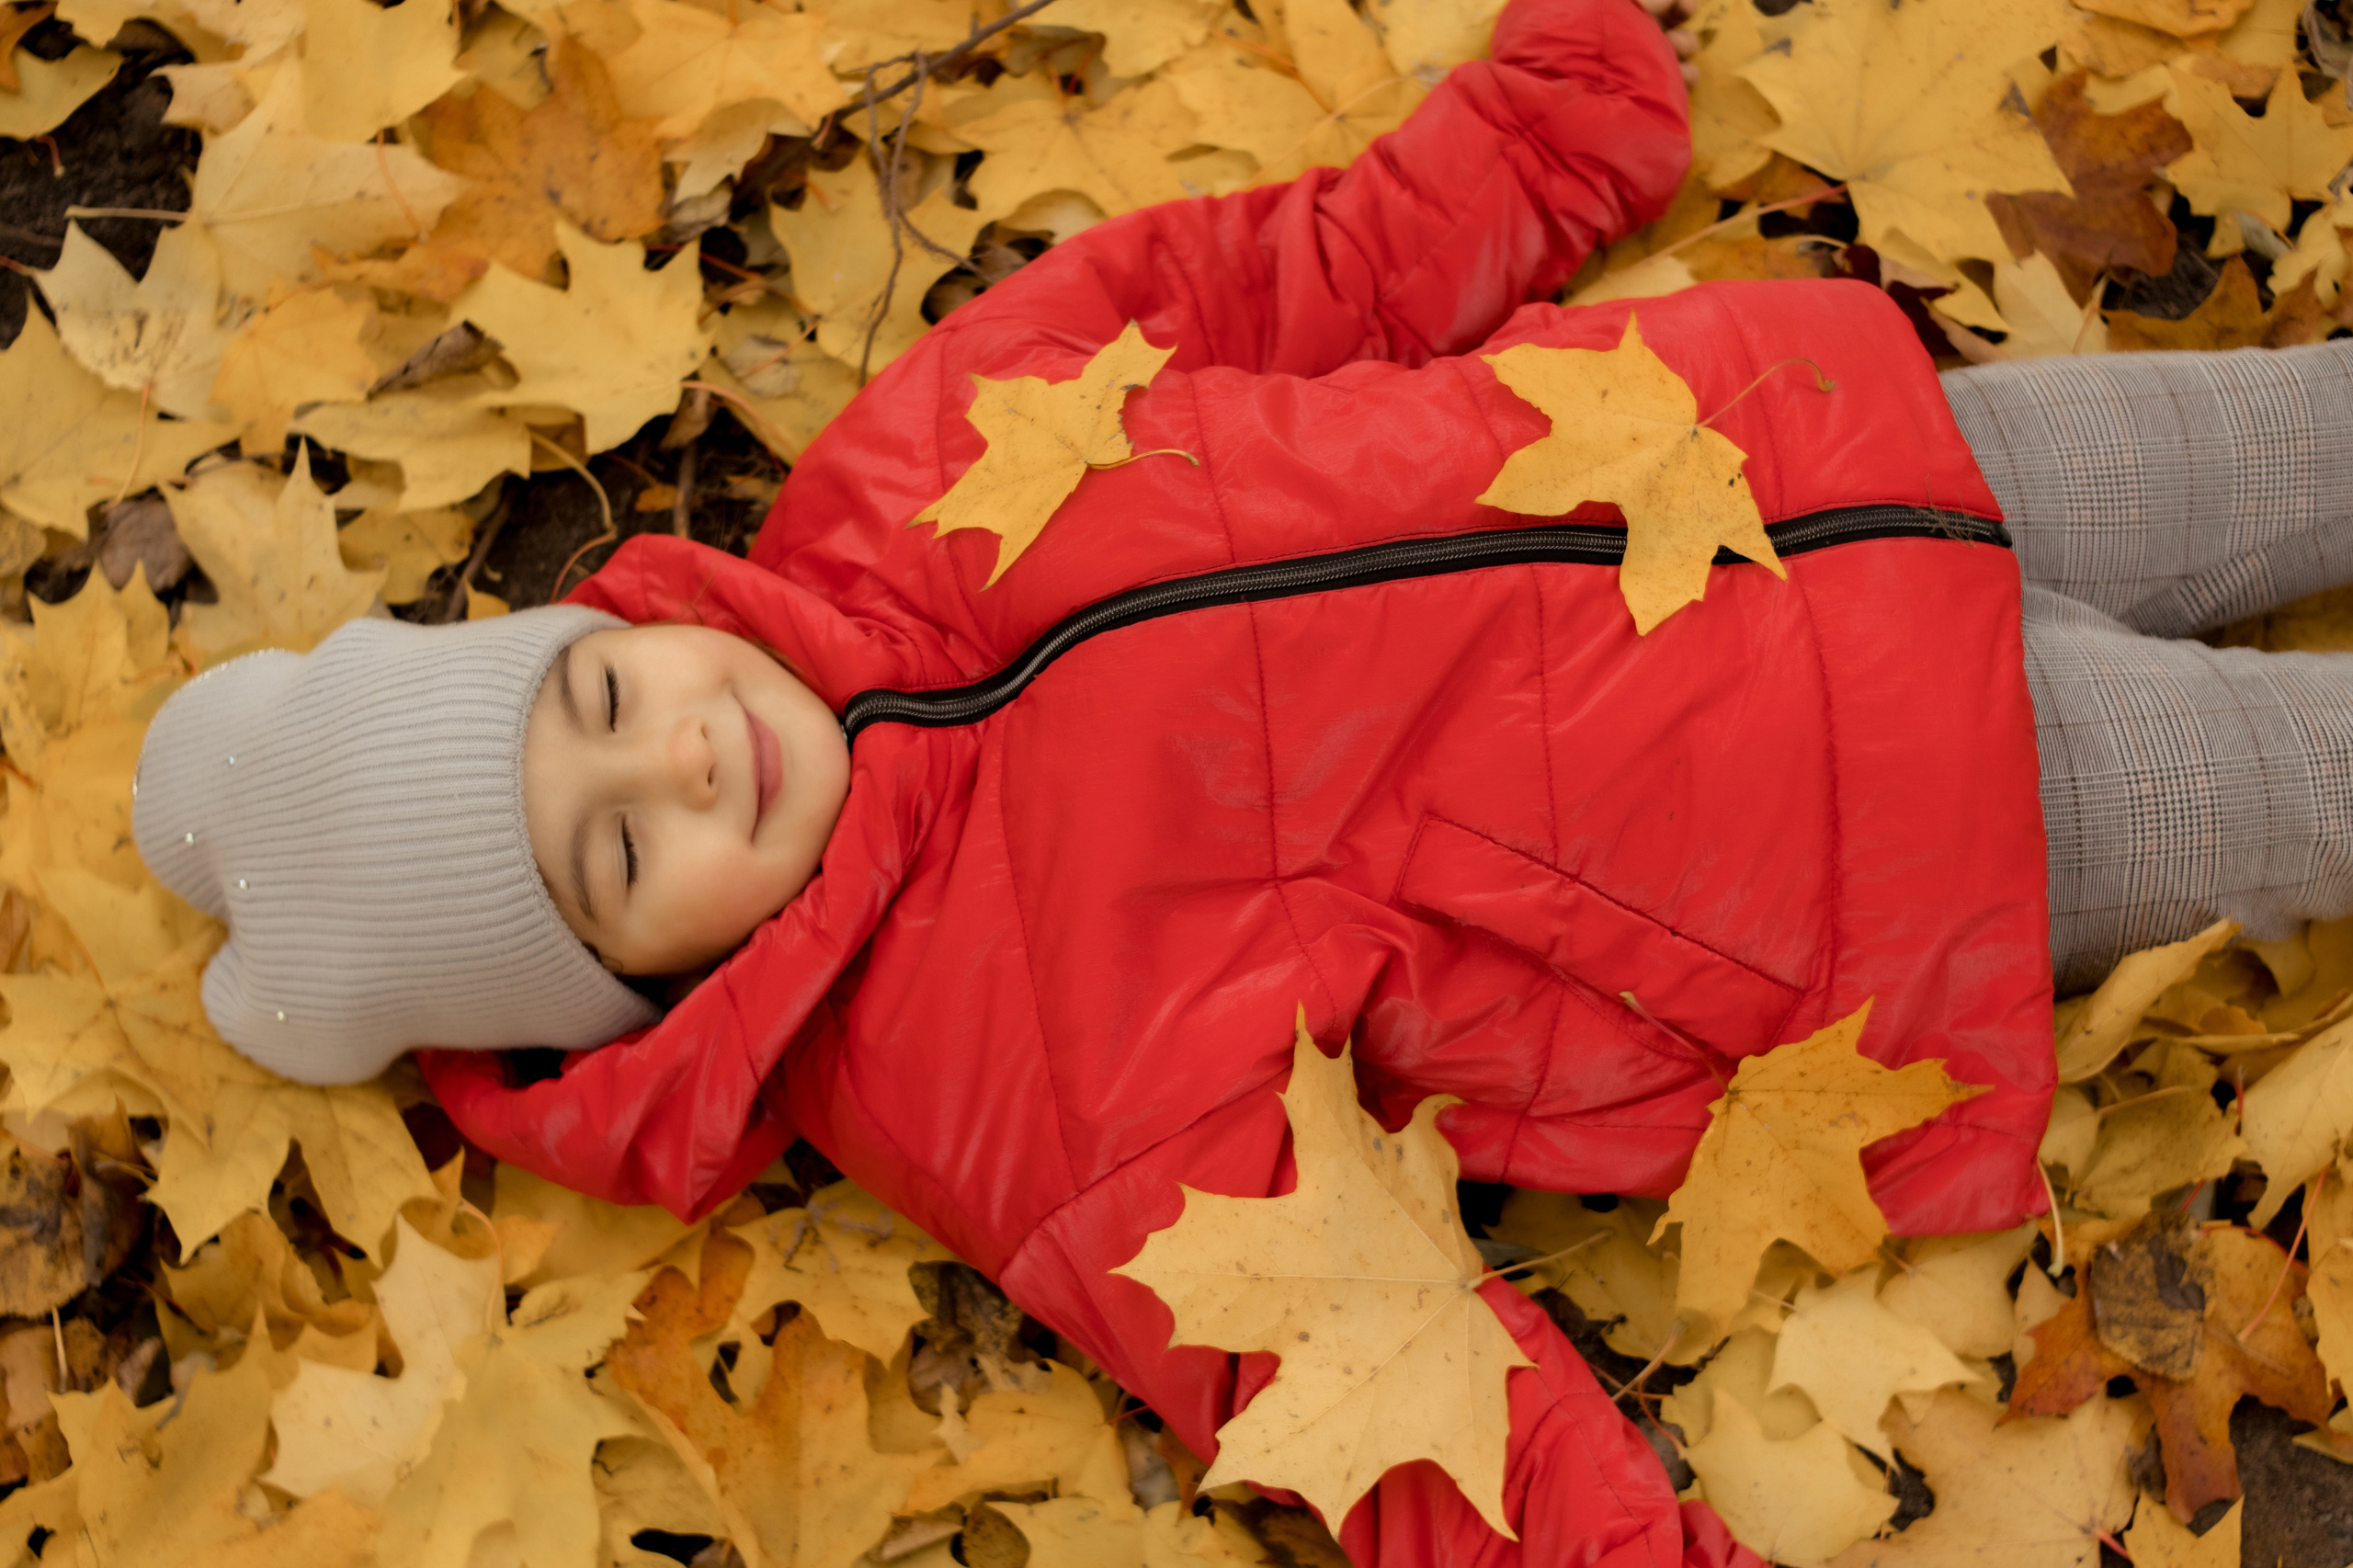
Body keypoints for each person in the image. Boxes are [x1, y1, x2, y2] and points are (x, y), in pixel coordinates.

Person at [126, 0, 2353, 1559]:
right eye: (623, 855)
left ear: (617, 626)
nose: (683, 754)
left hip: (1809, 457)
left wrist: (1529, 139)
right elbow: (1379, 1385)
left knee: (2300, 435)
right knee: (2309, 772)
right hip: (1897, 825)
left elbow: (1261, 286)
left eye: (603, 702)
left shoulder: (908, 466)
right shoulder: (1008, 1088)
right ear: (639, 1003)